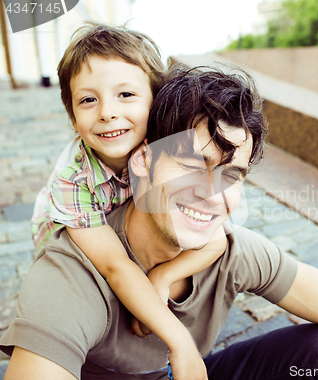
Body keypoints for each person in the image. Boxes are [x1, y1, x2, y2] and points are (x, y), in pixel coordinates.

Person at [0, 66, 318, 380]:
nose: (211, 193)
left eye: (231, 175)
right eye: (195, 164)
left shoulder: (228, 248)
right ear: (143, 162)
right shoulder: (70, 274)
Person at [29, 24, 227, 379]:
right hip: (74, 234)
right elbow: (114, 267)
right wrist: (179, 341)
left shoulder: (165, 151)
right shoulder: (73, 180)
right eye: (88, 100)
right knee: (100, 288)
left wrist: (163, 277)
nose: (106, 112)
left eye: (125, 95)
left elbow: (218, 241)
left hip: (129, 224)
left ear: (155, 101)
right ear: (74, 118)